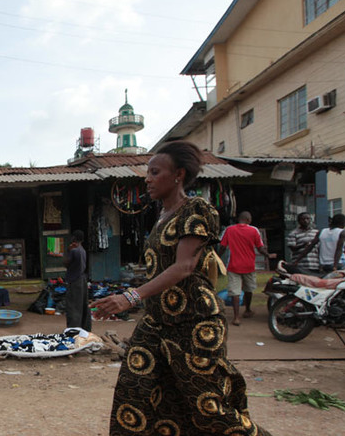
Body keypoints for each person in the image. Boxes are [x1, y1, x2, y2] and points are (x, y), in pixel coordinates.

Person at [90, 141, 269, 436]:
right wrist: (130, 296)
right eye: (147, 172)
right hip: (157, 322)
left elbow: (184, 267)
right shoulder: (160, 217)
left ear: (179, 175)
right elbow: (161, 270)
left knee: (207, 408)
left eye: (155, 172)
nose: (147, 179)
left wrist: (131, 297)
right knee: (135, 392)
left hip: (193, 321)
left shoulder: (197, 210)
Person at [219, 211, 273, 326]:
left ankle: (236, 317)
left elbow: (223, 247)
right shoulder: (254, 230)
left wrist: (217, 257)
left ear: (239, 219)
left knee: (235, 292)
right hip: (249, 265)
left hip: (233, 265)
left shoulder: (229, 230)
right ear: (248, 220)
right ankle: (247, 310)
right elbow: (260, 248)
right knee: (249, 289)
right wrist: (268, 255)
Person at [63, 230, 91, 332]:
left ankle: (73, 329)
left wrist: (68, 250)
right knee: (82, 304)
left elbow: (66, 263)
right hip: (82, 279)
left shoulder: (74, 251)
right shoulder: (82, 250)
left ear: (74, 238)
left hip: (74, 280)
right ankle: (85, 328)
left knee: (73, 306)